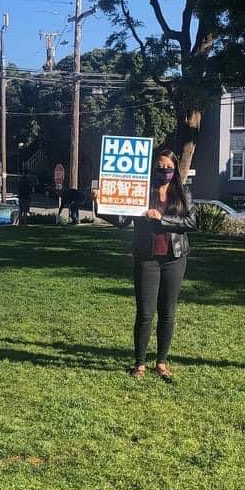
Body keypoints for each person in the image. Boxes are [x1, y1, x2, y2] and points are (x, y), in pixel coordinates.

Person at [98, 147, 196, 379]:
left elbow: (190, 222)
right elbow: (122, 220)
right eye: (160, 167)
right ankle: (140, 363)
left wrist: (162, 218)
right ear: (152, 168)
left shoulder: (183, 192)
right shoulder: (141, 191)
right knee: (145, 313)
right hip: (147, 258)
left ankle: (161, 362)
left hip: (174, 258)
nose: (164, 171)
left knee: (168, 313)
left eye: (169, 167)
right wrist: (100, 203)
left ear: (175, 169)